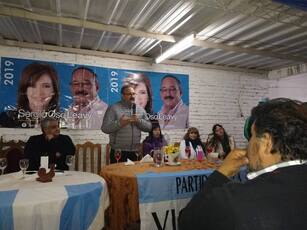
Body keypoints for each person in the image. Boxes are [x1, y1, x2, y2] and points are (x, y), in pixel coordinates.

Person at [178, 98, 307, 230]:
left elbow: (187, 221)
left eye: (251, 136)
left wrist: (220, 174)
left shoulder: (235, 200)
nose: (248, 143)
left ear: (267, 143)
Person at [101, 85, 152, 163]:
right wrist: (120, 123)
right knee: (117, 175)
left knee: (133, 175)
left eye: (133, 94)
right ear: (122, 95)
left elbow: (149, 127)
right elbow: (105, 128)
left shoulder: (140, 109)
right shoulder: (113, 108)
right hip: (119, 152)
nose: (132, 96)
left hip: (135, 151)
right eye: (129, 94)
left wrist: (138, 121)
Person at [0, 62, 59, 128]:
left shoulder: (64, 120)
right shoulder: (6, 119)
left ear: (54, 91)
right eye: (32, 85)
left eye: (46, 86)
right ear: (25, 90)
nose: (39, 92)